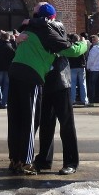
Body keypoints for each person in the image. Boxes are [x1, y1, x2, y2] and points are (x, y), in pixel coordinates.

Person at [7, 2, 70, 176]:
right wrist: (84, 45)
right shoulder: (47, 30)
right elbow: (68, 49)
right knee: (30, 119)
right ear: (51, 17)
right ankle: (26, 162)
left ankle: (15, 159)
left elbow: (20, 35)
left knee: (15, 118)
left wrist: (16, 37)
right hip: (33, 76)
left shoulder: (26, 30)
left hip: (15, 72)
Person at [34, 34, 88, 175]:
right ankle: (44, 159)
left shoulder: (55, 36)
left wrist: (83, 43)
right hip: (45, 83)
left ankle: (71, 161)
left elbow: (73, 50)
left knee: (66, 124)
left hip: (61, 83)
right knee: (45, 124)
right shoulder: (40, 35)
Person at [0, 31, 16, 108]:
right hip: (8, 68)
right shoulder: (11, 47)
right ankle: (4, 102)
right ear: (8, 38)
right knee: (6, 86)